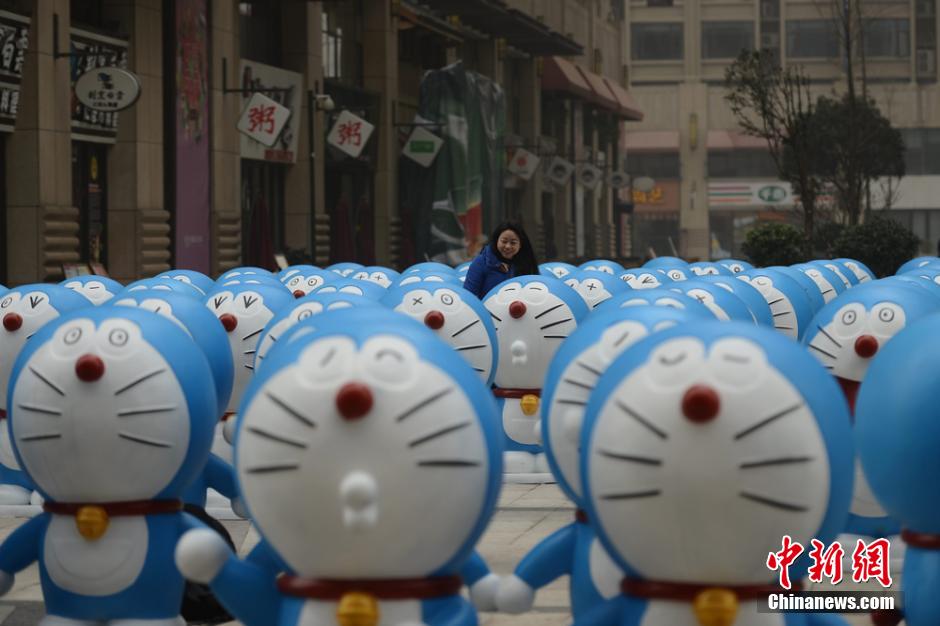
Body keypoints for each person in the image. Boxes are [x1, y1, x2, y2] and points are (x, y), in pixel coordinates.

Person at [464, 221, 539, 299]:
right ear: (497, 241)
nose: (507, 246)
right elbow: (469, 295)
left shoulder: (526, 263)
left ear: (520, 245)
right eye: (504, 241)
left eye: (513, 243)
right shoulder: (481, 262)